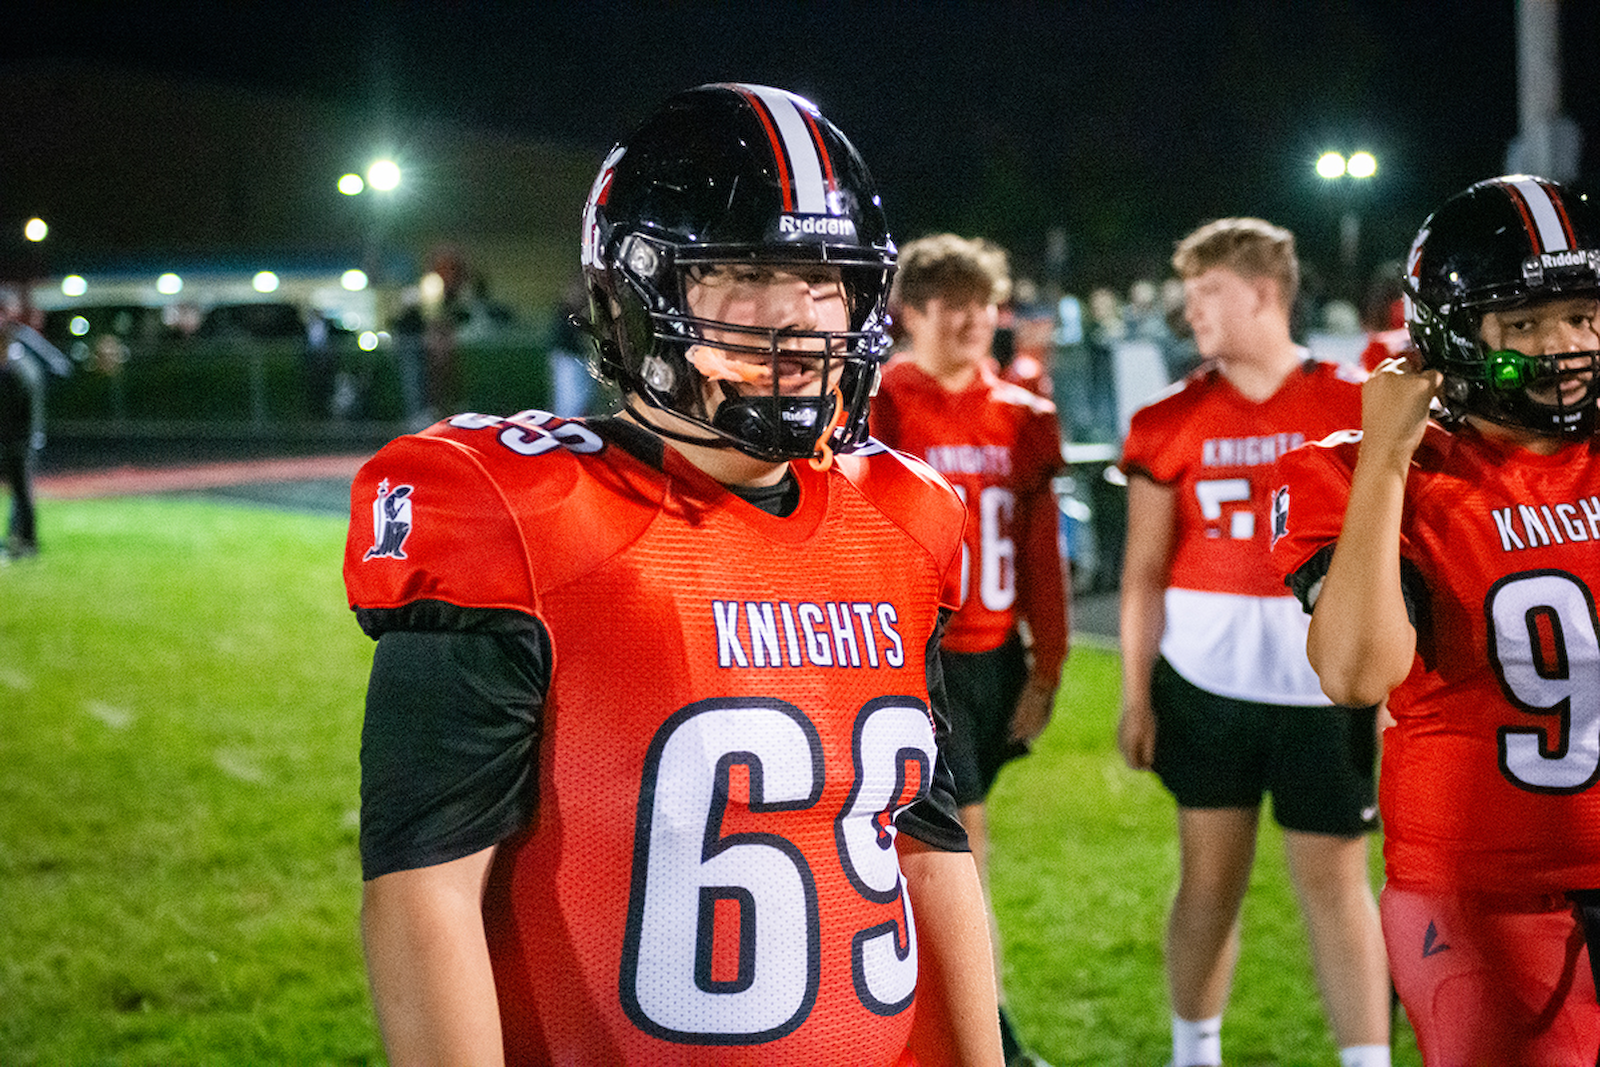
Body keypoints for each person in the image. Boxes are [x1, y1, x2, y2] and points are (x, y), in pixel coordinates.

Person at [344, 83, 1004, 1066]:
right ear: (634, 297)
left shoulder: (902, 517)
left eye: (828, 278)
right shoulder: (519, 515)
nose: (799, 315)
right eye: (746, 272)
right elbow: (424, 889)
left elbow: (926, 844)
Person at [1272, 174, 1600, 1065]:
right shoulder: (1363, 470)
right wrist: (1385, 459)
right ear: (1455, 334)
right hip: (1487, 897)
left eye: (1581, 315)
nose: (1564, 345)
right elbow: (1355, 672)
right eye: (1524, 323)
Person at [1116, 218, 1391, 1067]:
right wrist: (1134, 693)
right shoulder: (1169, 417)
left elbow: (1395, 557)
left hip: (1328, 686)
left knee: (1338, 885)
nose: (1191, 310)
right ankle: (1193, 1052)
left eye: (1209, 292)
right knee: (1208, 883)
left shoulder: (1354, 400)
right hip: (1207, 682)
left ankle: (1368, 1059)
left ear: (1264, 293)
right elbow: (1143, 570)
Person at [871, 234, 1069, 1067]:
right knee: (957, 848)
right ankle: (989, 1034)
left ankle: (943, 1018)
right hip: (918, 657)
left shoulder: (1022, 412)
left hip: (995, 656)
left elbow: (1041, 548)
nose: (973, 320)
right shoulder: (880, 401)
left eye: (983, 303)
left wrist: (1049, 662)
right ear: (911, 313)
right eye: (952, 304)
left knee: (931, 851)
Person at [0, 286, 71, 560]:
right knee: (17, 487)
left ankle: (23, 540)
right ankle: (15, 538)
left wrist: (31, 387)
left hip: (21, 429)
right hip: (8, 427)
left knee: (20, 486)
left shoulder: (21, 341)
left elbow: (59, 368)